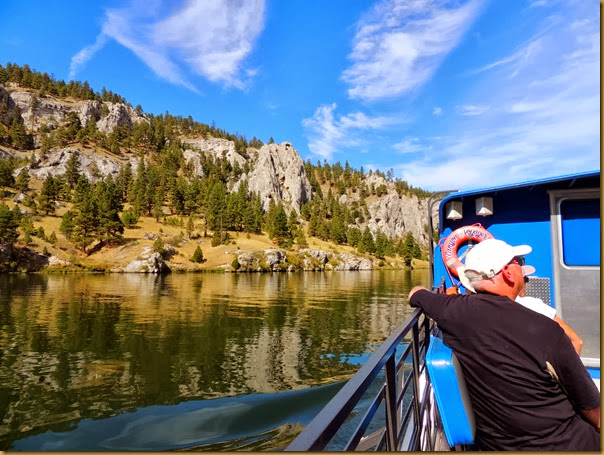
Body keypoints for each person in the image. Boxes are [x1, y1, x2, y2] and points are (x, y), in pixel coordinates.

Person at [409, 238, 600, 451]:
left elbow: (415, 294)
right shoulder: (546, 330)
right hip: (565, 444)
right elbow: (594, 411)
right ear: (508, 273)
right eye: (518, 261)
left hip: (496, 445)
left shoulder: (452, 312)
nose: (522, 266)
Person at [461, 259, 584, 355]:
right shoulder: (535, 306)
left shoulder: (466, 313)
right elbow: (576, 342)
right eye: (524, 278)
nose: (526, 281)